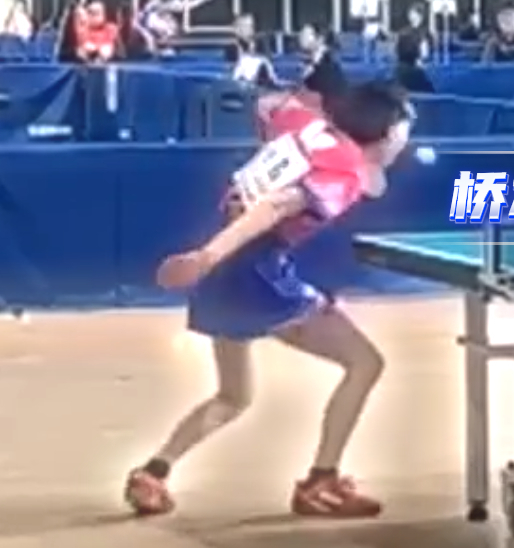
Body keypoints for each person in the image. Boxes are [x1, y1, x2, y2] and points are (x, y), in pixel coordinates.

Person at [123, 81, 416, 519]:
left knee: (233, 396)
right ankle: (322, 482)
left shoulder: (305, 124)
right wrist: (207, 256)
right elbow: (276, 207)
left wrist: (305, 103)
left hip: (225, 272)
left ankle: (153, 473)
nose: (407, 139)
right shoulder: (342, 174)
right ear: (389, 132)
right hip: (252, 273)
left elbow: (268, 105)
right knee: (364, 363)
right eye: (406, 129)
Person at [297, 25, 347, 103]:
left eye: (306, 35)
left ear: (320, 39)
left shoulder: (327, 64)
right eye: (301, 34)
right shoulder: (312, 60)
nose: (301, 37)